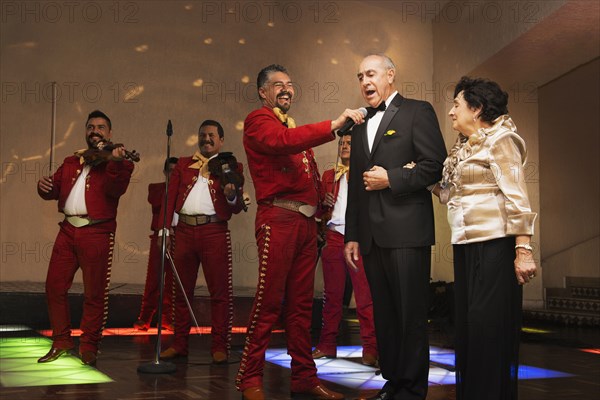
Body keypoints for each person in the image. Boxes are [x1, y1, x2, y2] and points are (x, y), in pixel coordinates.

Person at [236, 64, 365, 400]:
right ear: (263, 92)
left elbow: (295, 159)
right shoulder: (259, 121)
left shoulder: (290, 127)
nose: (286, 90)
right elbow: (281, 143)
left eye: (290, 84)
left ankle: (304, 378)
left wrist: (321, 205)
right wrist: (334, 125)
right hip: (278, 220)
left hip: (307, 227)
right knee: (268, 303)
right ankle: (249, 379)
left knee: (301, 307)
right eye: (278, 85)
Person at [344, 54, 447, 400]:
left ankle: (413, 388)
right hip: (371, 237)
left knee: (410, 315)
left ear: (390, 75)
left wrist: (393, 178)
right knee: (385, 315)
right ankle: (393, 380)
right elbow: (357, 188)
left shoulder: (418, 111)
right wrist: (352, 235)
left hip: (407, 232)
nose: (364, 81)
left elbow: (435, 167)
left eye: (370, 74)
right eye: (360, 76)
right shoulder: (358, 126)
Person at [433, 76, 538, 400]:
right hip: (466, 247)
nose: (451, 112)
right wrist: (421, 178)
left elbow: (517, 198)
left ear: (476, 109)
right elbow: (450, 194)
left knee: (486, 329)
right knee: (468, 328)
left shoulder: (502, 140)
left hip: (495, 245)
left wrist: (523, 250)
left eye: (456, 105)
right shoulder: (463, 149)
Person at [36, 110, 134, 366]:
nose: (95, 131)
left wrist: (115, 161)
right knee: (54, 286)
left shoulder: (120, 162)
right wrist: (43, 187)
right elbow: (54, 189)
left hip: (97, 231)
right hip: (68, 230)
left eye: (101, 127)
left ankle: (89, 346)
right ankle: (61, 341)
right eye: (91, 127)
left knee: (94, 293)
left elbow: (115, 189)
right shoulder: (72, 160)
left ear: (109, 133)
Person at [158, 120, 244, 364]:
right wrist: (164, 229)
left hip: (214, 230)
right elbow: (170, 196)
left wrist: (231, 195)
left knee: (220, 292)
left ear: (221, 140)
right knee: (181, 292)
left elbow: (236, 207)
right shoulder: (184, 164)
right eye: (202, 135)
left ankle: (219, 346)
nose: (206, 139)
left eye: (211, 135)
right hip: (184, 231)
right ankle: (179, 344)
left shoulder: (232, 165)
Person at [313, 133, 377, 366]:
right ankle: (327, 344)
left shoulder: (367, 174)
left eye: (349, 143)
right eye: (341, 143)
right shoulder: (329, 175)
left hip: (358, 240)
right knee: (331, 296)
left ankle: (370, 348)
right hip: (333, 236)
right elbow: (318, 212)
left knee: (364, 297)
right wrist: (324, 203)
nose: (344, 146)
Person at [133, 157, 179, 332]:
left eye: (176, 171)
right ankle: (145, 317)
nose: (173, 174)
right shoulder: (157, 188)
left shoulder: (184, 192)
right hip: (160, 236)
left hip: (179, 237)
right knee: (154, 278)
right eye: (170, 171)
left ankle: (168, 318)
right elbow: (157, 202)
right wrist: (171, 189)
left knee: (172, 281)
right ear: (165, 172)